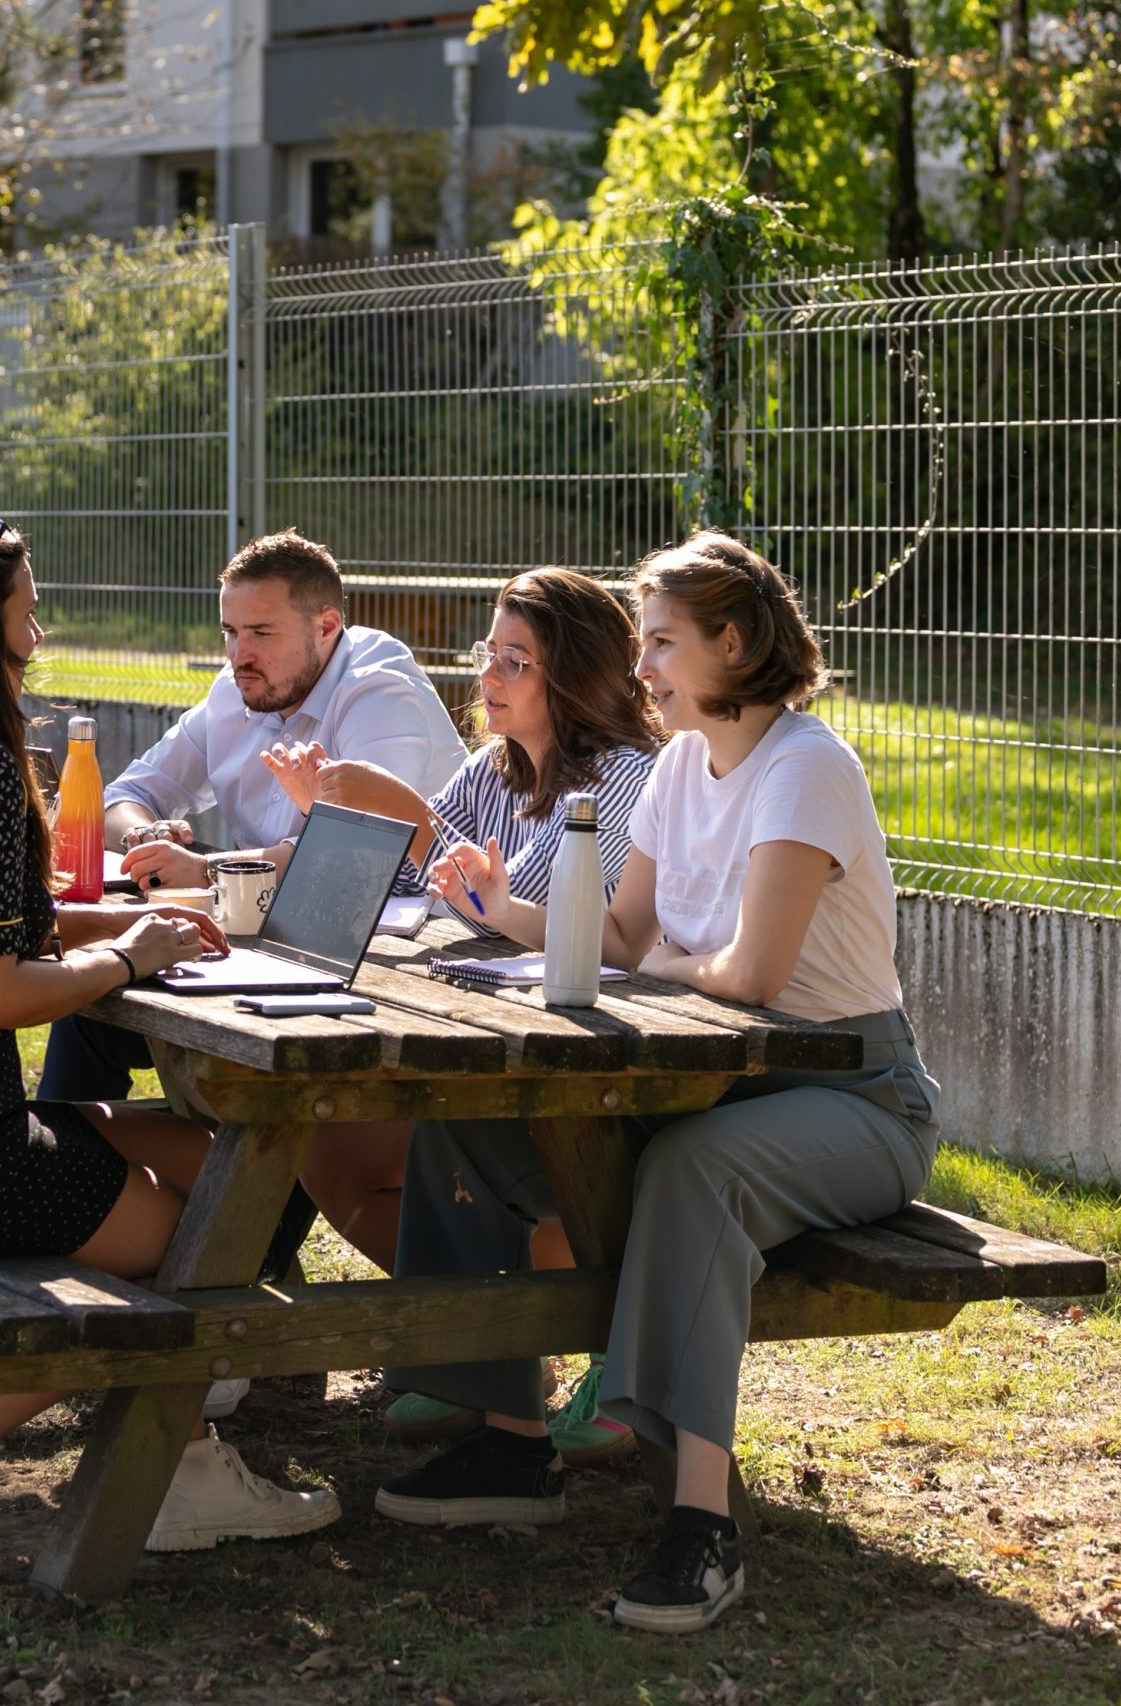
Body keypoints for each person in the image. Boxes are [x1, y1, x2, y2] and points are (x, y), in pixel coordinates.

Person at [373, 532, 941, 1635]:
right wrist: (500, 909)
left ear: (733, 642)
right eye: (642, 645)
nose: (642, 669)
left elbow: (749, 973)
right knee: (473, 1126)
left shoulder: (805, 764)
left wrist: (664, 963)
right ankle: (506, 1434)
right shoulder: (680, 763)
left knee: (692, 1167)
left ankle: (700, 1521)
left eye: (663, 643)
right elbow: (622, 934)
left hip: (853, 1094)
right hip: (717, 1080)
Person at [0, 510, 341, 1586]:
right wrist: (126, 958)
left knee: (190, 1149)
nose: (39, 623)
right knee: (195, 1242)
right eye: (25, 604)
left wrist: (123, 922)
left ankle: (186, 1465)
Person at [259, 568, 660, 1463]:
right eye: (490, 654)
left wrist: (467, 882)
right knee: (322, 1147)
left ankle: (584, 1360)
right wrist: (336, 811)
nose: (490, 677)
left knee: (507, 1156)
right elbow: (415, 875)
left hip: (590, 1058)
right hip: (483, 1036)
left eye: (517, 660)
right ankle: (481, 1356)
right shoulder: (495, 770)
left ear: (579, 676)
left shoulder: (633, 778)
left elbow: (597, 923)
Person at [35, 527, 466, 1107]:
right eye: (231, 632)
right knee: (93, 1014)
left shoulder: (379, 689)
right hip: (273, 945)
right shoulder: (236, 688)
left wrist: (208, 871)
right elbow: (127, 795)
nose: (240, 654)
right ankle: (64, 1183)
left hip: (406, 966)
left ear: (327, 627)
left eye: (261, 632)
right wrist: (145, 835)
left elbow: (354, 852)